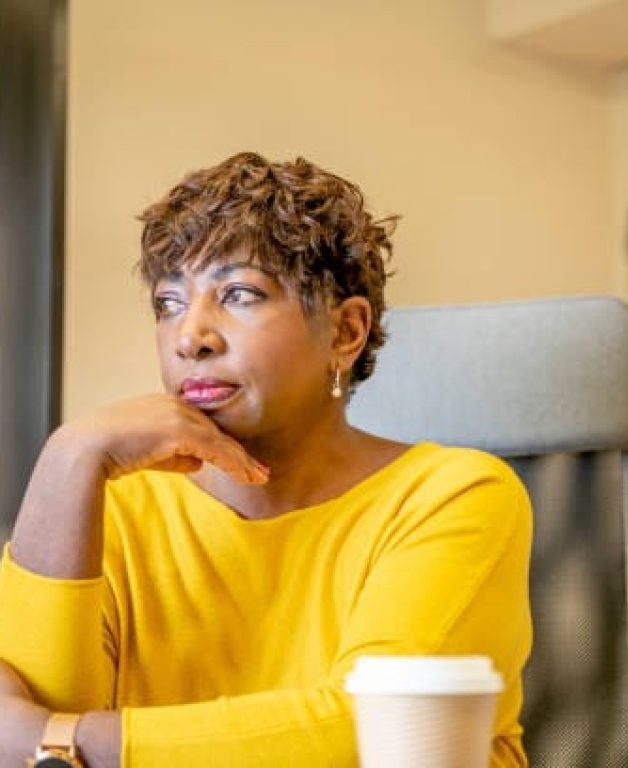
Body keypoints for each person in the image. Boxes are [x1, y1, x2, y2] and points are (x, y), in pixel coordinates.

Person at [0, 152, 532, 767]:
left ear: (344, 333)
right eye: (168, 303)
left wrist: (64, 742)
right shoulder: (117, 510)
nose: (189, 336)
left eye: (239, 294)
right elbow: (29, 728)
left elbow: (379, 731)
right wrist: (69, 458)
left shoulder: (455, 495)